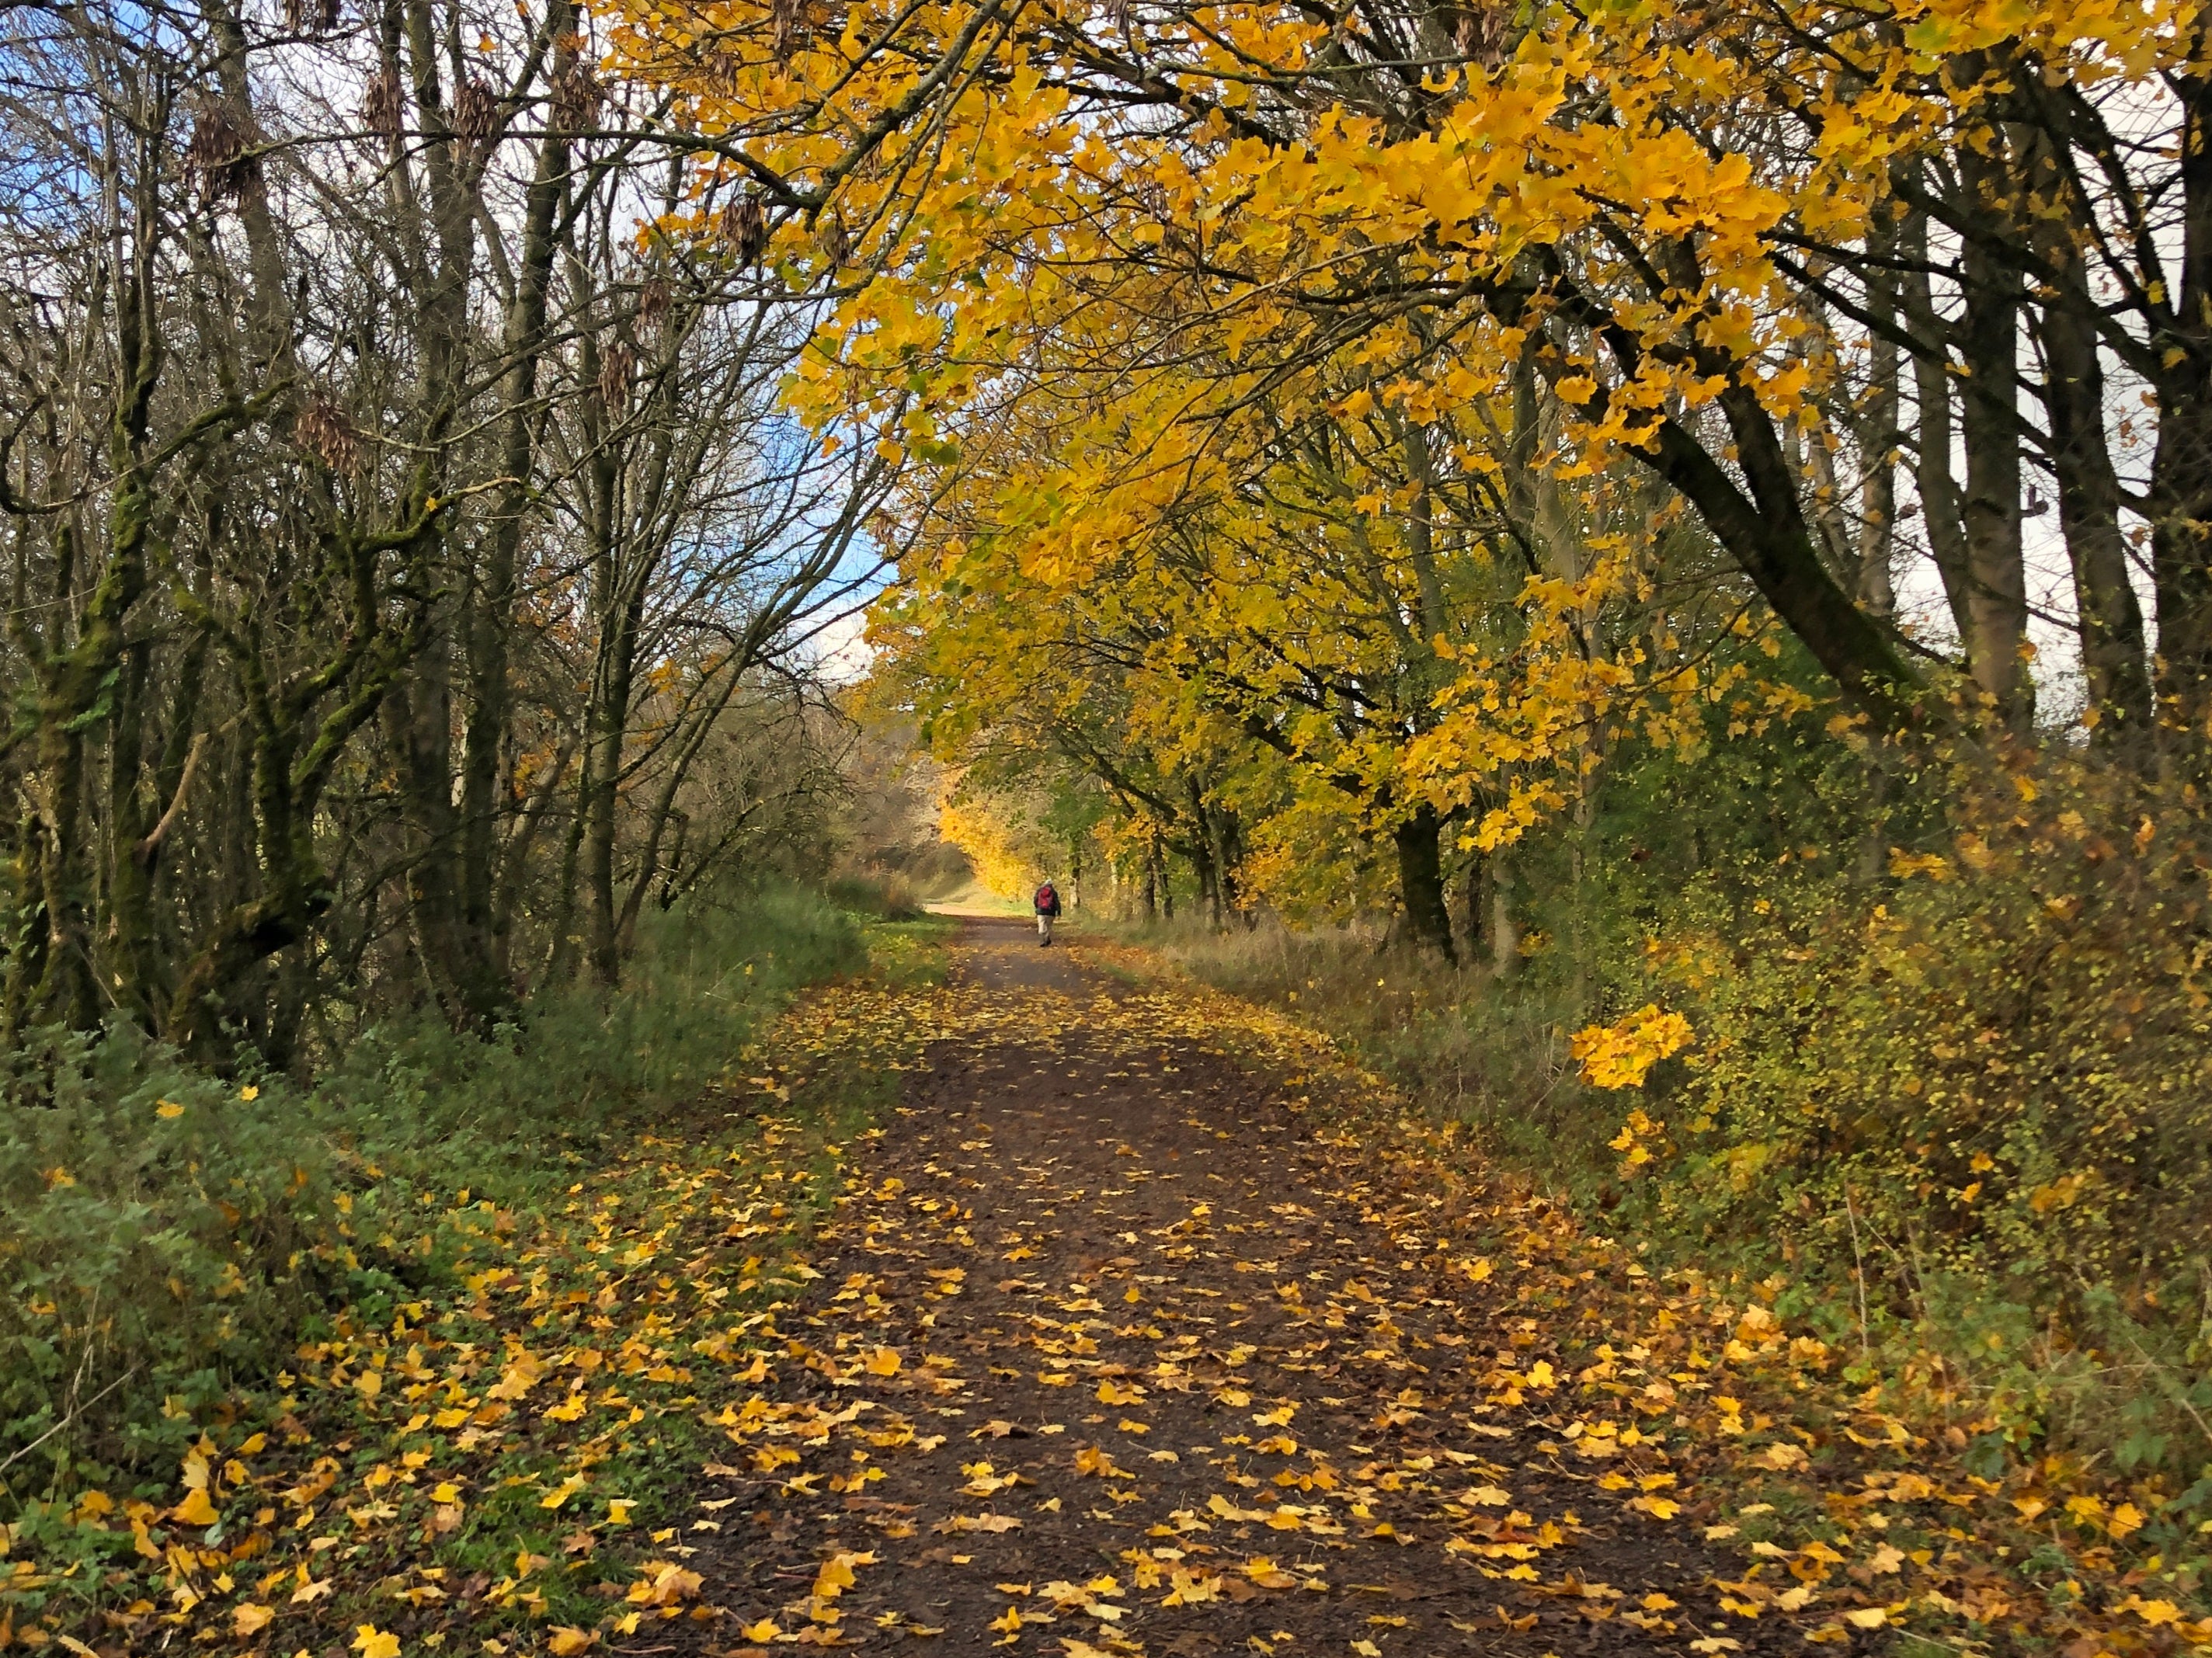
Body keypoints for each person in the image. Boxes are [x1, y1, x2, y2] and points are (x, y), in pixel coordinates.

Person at [1033, 878, 1063, 944]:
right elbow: (1057, 902)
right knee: (1048, 926)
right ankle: (1047, 938)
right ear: (1051, 885)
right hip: (1051, 912)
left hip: (1041, 911)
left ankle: (1043, 940)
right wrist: (1059, 912)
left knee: (1041, 925)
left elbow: (1035, 900)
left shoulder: (1039, 891)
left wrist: (1037, 907)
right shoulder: (1053, 892)